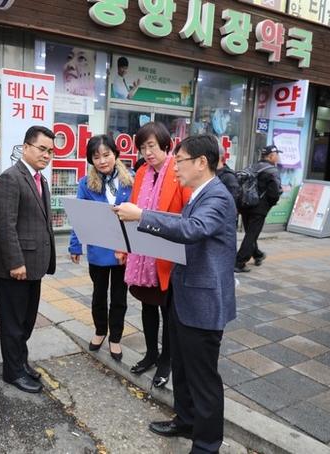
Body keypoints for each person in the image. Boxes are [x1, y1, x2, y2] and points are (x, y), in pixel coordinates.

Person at [114, 134, 237, 454]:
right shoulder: (199, 194)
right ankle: (186, 420)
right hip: (184, 297)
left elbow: (192, 229)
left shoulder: (218, 197)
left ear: (201, 162)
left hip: (203, 303)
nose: (175, 168)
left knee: (203, 378)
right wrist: (144, 218)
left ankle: (207, 445)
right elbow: (182, 221)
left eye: (180, 161)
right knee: (182, 369)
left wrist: (142, 216)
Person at [0, 125, 56, 394]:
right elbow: (6, 225)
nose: (46, 155)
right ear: (26, 147)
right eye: (42, 149)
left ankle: (20, 362)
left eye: (50, 151)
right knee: (13, 323)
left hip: (34, 266)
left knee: (26, 321)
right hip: (14, 268)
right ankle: (12, 372)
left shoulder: (40, 180)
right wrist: (16, 262)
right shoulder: (11, 178)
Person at [120, 122, 191, 389]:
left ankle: (166, 360)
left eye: (151, 146)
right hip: (143, 253)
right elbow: (133, 210)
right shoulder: (142, 172)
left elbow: (187, 213)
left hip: (169, 251)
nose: (147, 152)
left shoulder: (178, 170)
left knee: (168, 310)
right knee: (147, 305)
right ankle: (151, 353)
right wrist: (124, 247)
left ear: (165, 144)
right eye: (142, 147)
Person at [69, 135, 134, 361]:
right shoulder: (86, 184)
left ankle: (115, 337)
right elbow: (79, 217)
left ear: (115, 154)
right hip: (98, 249)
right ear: (91, 160)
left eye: (106, 155)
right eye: (96, 157)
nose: (102, 161)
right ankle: (100, 331)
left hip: (124, 250)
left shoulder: (131, 180)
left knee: (119, 297)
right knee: (98, 294)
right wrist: (75, 246)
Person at [234, 144, 282, 273]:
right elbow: (274, 193)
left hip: (245, 205)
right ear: (271, 156)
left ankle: (257, 254)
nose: (277, 158)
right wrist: (269, 204)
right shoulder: (272, 171)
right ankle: (239, 262)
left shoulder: (251, 167)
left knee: (251, 233)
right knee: (251, 234)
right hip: (259, 208)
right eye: (276, 155)